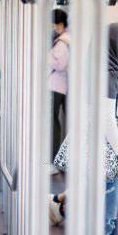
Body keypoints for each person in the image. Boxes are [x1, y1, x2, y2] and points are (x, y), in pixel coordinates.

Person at [49, 23, 118, 235]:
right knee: (105, 216)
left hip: (102, 146)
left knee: (116, 215)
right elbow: (106, 118)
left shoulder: (108, 70)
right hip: (103, 150)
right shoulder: (108, 74)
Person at [49, 9, 70, 156]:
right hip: (61, 86)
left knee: (53, 124)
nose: (52, 28)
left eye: (53, 25)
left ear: (61, 24)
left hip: (57, 87)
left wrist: (46, 55)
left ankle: (54, 156)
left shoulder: (63, 42)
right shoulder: (64, 40)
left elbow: (59, 65)